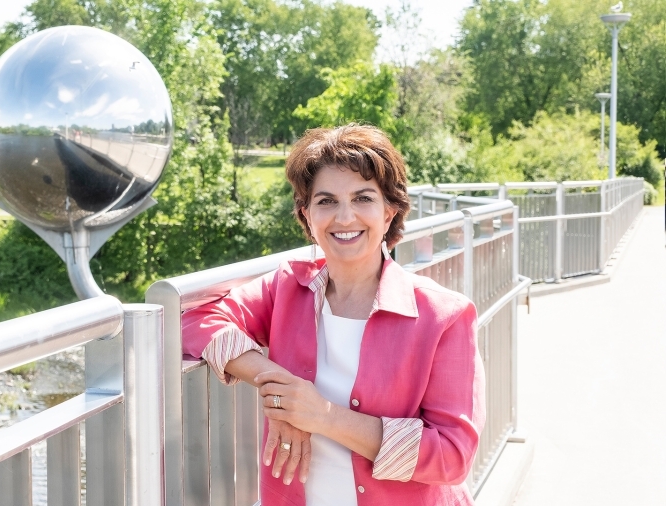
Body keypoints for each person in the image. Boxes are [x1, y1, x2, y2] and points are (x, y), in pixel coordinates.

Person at [182, 124, 485, 505]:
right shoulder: (286, 289)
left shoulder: (444, 316)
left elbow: (452, 455)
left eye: (362, 198)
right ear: (306, 215)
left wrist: (322, 416)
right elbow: (192, 319)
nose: (344, 217)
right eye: (326, 201)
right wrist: (280, 389)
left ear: (389, 212)